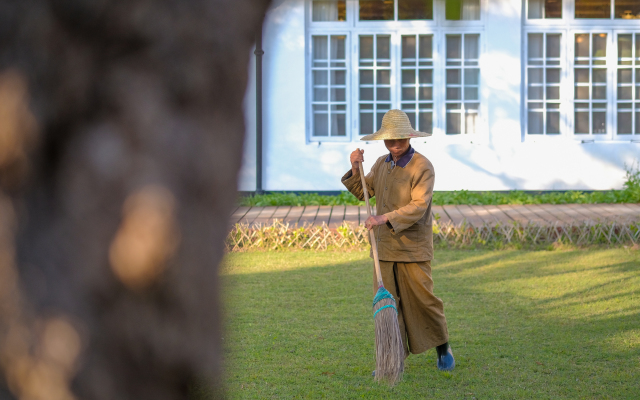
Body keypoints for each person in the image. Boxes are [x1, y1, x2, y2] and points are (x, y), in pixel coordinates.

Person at [341, 109, 454, 372]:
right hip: (383, 249)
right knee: (387, 307)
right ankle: (392, 358)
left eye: (399, 140)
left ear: (409, 137)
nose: (394, 145)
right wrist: (355, 168)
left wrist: (384, 218)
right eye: (389, 141)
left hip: (412, 248)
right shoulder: (381, 163)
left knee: (423, 301)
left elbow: (418, 205)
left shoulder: (422, 166)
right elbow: (364, 192)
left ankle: (443, 348)